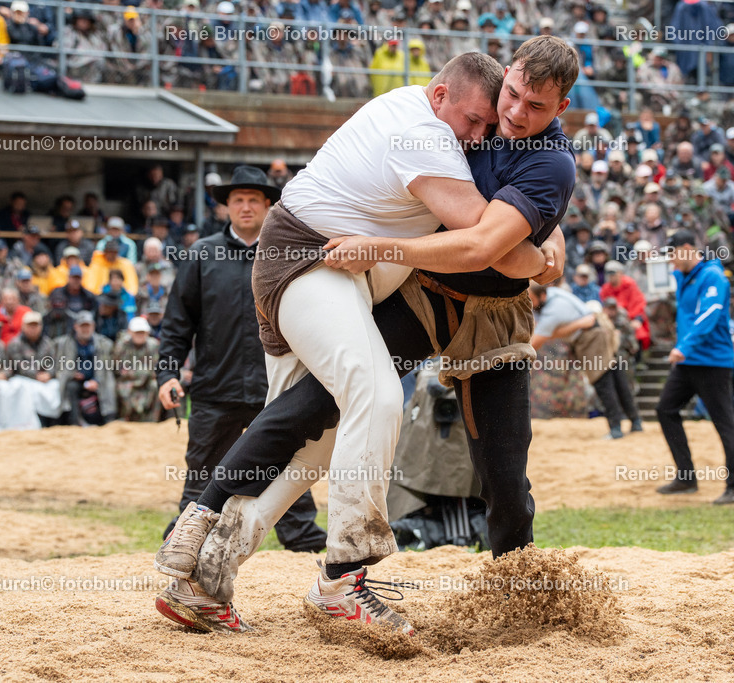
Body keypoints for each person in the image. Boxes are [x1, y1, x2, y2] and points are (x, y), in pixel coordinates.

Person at [154, 41, 574, 633]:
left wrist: (545, 244)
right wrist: (542, 254)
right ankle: (336, 568)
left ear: (561, 105)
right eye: (504, 100)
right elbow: (484, 242)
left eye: (534, 106)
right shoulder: (426, 131)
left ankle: (206, 572)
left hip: (478, 310)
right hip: (371, 277)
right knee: (348, 402)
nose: (496, 124)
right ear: (483, 83)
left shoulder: (543, 158)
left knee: (486, 462)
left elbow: (493, 241)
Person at [153, 166, 326, 563]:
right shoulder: (201, 255)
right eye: (237, 200)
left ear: (269, 205)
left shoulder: (287, 251)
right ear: (226, 207)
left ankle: (304, 547)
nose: (245, 207)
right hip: (216, 387)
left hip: (278, 386)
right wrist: (167, 374)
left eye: (254, 199)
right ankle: (182, 547)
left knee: (288, 466)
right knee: (202, 473)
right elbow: (178, 322)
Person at [655, 230, 734, 505]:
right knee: (665, 409)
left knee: (724, 423)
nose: (670, 261)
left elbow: (709, 314)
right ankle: (686, 477)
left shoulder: (713, 276)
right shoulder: (683, 276)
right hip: (688, 362)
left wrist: (684, 346)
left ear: (685, 248)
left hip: (712, 363)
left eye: (672, 254)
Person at [529, 283, 639, 440]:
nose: (530, 304)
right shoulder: (553, 293)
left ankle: (616, 428)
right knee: (616, 377)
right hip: (596, 331)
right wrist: (575, 325)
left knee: (603, 381)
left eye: (531, 300)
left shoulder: (552, 312)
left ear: (542, 296)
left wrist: (553, 333)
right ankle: (635, 421)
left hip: (590, 338)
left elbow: (537, 341)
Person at [54, 311, 116, 426]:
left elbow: (107, 367)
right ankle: (74, 421)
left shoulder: (104, 343)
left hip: (98, 379)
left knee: (109, 384)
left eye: (88, 326)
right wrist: (73, 373)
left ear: (93, 326)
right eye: (82, 326)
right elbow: (59, 366)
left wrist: (96, 380)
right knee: (70, 387)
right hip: (76, 380)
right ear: (75, 327)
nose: (85, 329)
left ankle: (109, 418)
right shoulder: (64, 343)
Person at [114, 317, 160, 422]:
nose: (140, 335)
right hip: (128, 382)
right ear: (130, 332)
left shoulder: (154, 345)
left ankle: (153, 421)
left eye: (142, 332)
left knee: (156, 386)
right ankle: (126, 419)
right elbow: (119, 369)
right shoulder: (122, 346)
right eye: (137, 332)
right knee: (123, 389)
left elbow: (156, 369)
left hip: (147, 382)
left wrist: (139, 373)